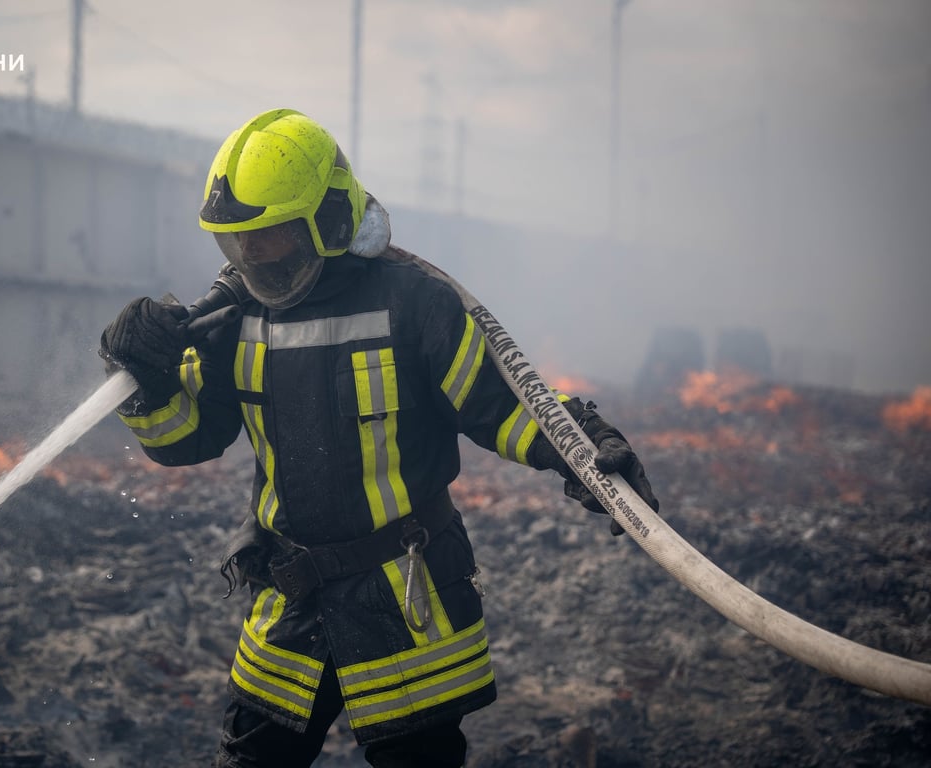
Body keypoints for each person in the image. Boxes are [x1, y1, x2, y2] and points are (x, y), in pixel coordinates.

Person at [99, 108, 659, 768]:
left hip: (406, 598)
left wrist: (584, 449)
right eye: (237, 241)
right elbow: (184, 439)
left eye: (268, 235)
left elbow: (502, 404)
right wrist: (145, 380)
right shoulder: (234, 321)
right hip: (291, 599)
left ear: (328, 219)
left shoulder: (415, 303)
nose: (251, 257)